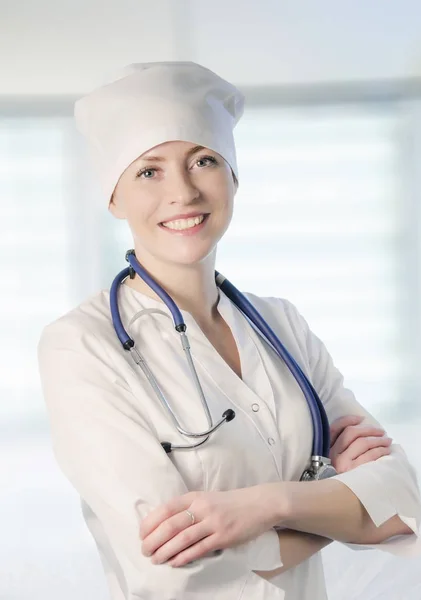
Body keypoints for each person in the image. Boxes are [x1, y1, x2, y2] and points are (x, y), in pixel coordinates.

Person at [37, 62, 420, 600]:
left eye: (203, 160)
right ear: (114, 197)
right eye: (150, 171)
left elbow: (402, 502)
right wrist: (336, 500)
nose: (184, 192)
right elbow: (173, 571)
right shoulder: (81, 346)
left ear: (233, 176)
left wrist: (266, 505)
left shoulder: (282, 325)